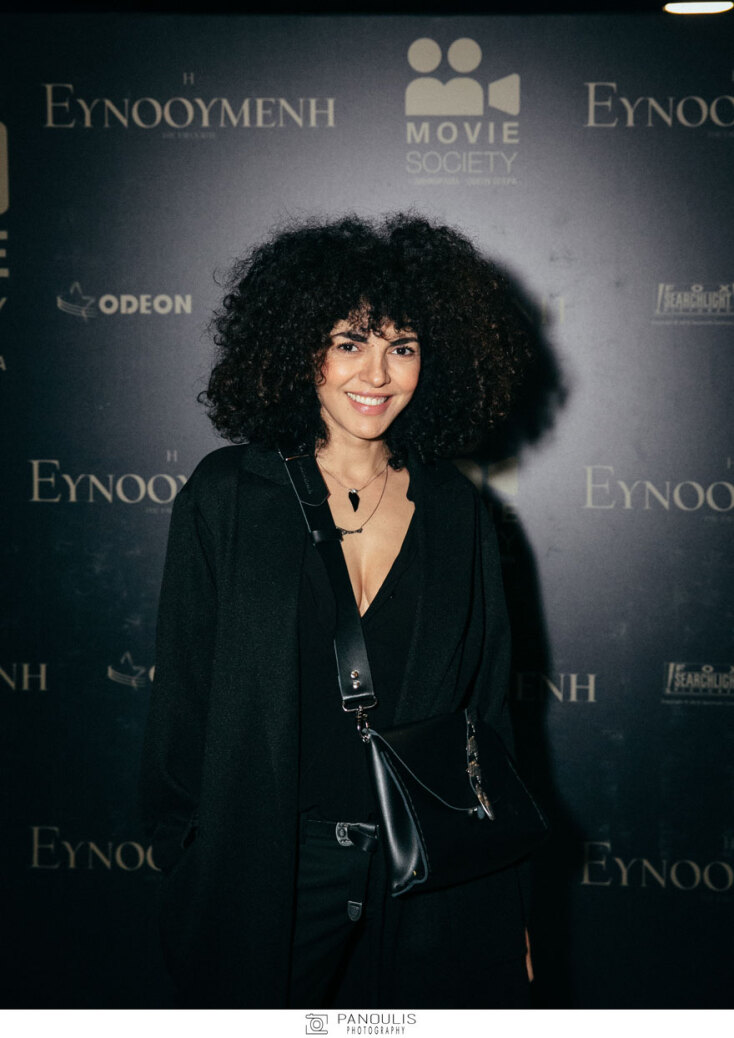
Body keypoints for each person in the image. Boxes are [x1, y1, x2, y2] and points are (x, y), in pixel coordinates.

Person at [138, 213, 536, 1009]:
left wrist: (503, 901)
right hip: (266, 875)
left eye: (403, 346)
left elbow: (487, 721)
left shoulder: (457, 510)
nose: (377, 374)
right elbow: (183, 703)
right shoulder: (229, 495)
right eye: (350, 341)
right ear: (298, 349)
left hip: (420, 880)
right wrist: (194, 862)